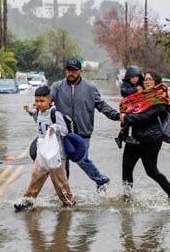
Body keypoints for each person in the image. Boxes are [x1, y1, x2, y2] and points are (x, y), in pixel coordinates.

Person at [51, 58, 121, 190]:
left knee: (82, 159)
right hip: (63, 133)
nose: (71, 73)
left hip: (83, 132)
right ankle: (64, 191)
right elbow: (47, 103)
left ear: (80, 71)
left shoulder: (90, 88)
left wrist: (116, 116)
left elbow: (101, 105)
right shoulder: (57, 87)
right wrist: (36, 108)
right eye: (68, 70)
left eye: (74, 70)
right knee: (63, 163)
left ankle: (100, 179)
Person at [120, 70, 170, 200]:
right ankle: (127, 196)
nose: (147, 81)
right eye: (146, 79)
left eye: (150, 79)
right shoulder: (139, 96)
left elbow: (146, 116)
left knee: (151, 170)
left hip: (151, 140)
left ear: (156, 82)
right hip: (135, 138)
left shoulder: (160, 98)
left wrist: (126, 118)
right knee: (126, 167)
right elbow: (125, 89)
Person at [14, 86, 75, 211]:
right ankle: (28, 201)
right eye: (36, 101)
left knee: (59, 180)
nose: (39, 104)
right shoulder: (38, 112)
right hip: (42, 150)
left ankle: (68, 201)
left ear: (49, 100)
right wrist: (28, 111)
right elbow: (37, 120)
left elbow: (65, 130)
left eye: (42, 101)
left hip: (55, 153)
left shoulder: (55, 114)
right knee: (36, 176)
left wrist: (55, 128)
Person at [115, 65, 144, 148]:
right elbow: (124, 92)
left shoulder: (141, 84)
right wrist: (135, 89)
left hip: (136, 106)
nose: (134, 79)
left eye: (136, 77)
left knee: (134, 122)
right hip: (127, 106)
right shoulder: (125, 84)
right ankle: (124, 136)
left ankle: (120, 138)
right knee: (126, 121)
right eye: (132, 77)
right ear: (128, 77)